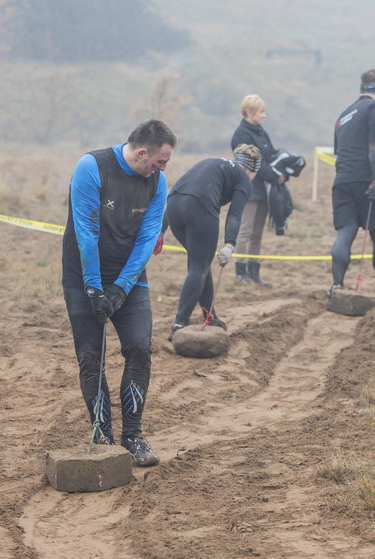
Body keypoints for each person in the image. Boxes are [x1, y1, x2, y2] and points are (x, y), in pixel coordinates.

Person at [61, 119, 176, 467]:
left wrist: (121, 289)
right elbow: (86, 231)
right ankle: (103, 435)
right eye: (159, 162)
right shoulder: (92, 167)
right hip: (83, 277)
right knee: (91, 358)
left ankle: (133, 435)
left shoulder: (157, 182)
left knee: (140, 349)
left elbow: (146, 240)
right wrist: (95, 288)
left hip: (129, 279)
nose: (162, 169)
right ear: (142, 153)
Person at [163, 144, 259, 339]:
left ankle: (210, 315)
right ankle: (179, 322)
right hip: (200, 208)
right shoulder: (244, 179)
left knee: (201, 263)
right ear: (253, 169)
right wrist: (230, 244)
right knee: (198, 267)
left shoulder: (213, 162)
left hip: (173, 206)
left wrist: (160, 230)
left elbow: (181, 190)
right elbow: (235, 214)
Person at [329, 69, 375, 305]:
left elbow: (338, 152)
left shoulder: (343, 115)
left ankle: (337, 286)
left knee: (345, 232)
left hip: (342, 179)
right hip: (368, 178)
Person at [231, 94, 281, 287]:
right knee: (245, 230)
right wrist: (274, 175)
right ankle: (240, 272)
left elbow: (270, 155)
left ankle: (254, 272)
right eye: (261, 112)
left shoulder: (260, 131)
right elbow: (253, 163)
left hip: (264, 190)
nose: (264, 115)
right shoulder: (241, 135)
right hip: (249, 189)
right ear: (249, 113)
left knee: (257, 233)